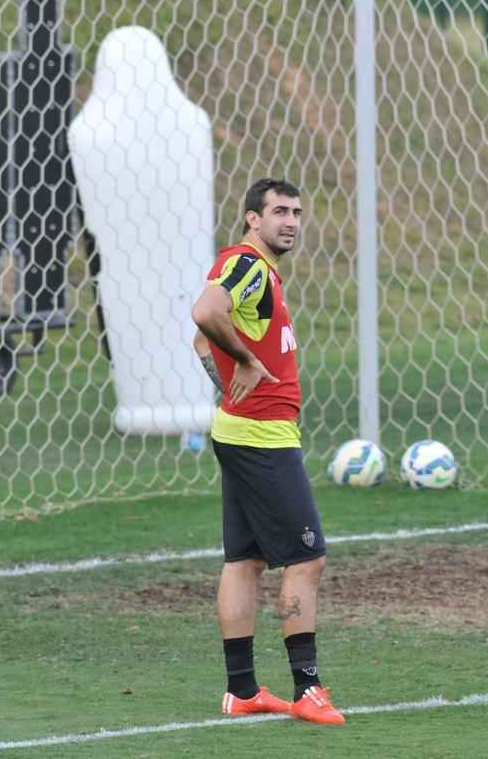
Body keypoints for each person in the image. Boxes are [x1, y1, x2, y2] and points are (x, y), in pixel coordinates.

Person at [190, 178, 345, 726]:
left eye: (297, 212)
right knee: (305, 559)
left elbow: (203, 343)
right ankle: (308, 688)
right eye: (279, 211)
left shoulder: (260, 274)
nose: (291, 222)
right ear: (252, 218)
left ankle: (242, 691)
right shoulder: (247, 266)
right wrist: (249, 367)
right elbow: (205, 315)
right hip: (262, 436)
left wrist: (228, 374)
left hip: (239, 428)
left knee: (246, 561)